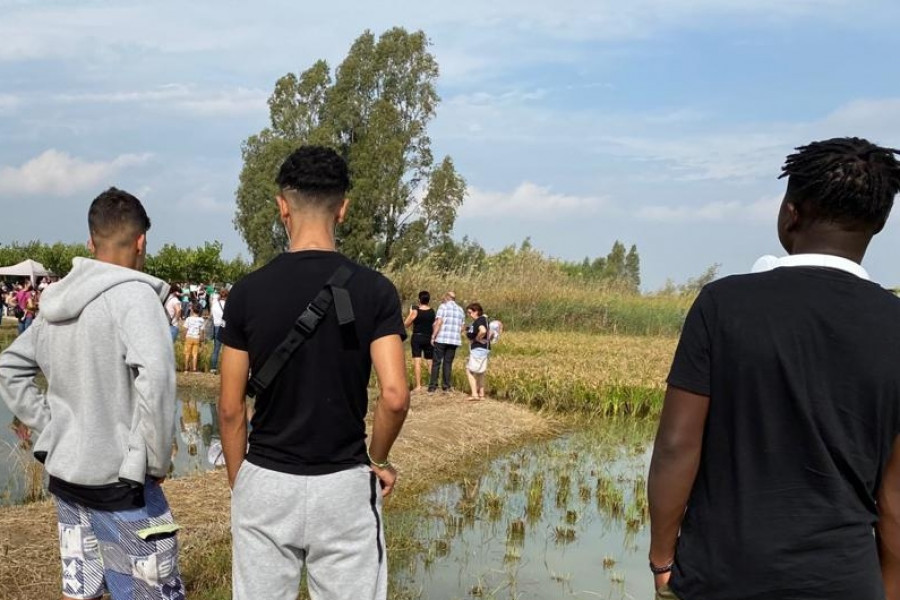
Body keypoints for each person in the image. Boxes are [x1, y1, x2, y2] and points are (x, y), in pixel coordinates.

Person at [647, 138, 900, 600]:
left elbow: (676, 445)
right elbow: (896, 495)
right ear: (880, 223)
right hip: (845, 580)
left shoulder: (723, 304)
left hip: (720, 575)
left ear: (790, 212)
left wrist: (663, 558)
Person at [218, 145, 410, 600]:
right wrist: (377, 460)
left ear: (282, 206)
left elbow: (230, 409)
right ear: (342, 208)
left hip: (266, 478)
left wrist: (241, 482)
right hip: (343, 484)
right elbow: (395, 395)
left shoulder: (246, 293)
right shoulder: (376, 291)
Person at [0, 187, 184, 600]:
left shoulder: (55, 302)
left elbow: (9, 367)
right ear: (141, 242)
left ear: (90, 242)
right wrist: (153, 458)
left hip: (68, 481)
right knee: (150, 593)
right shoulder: (135, 297)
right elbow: (155, 378)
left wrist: (51, 430)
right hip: (124, 486)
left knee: (83, 591)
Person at [428, 291, 465, 393]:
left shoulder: (443, 307)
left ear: (447, 297)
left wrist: (433, 336)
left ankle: (433, 386)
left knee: (436, 362)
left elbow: (439, 322)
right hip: (454, 340)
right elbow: (462, 327)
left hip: (442, 338)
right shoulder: (460, 309)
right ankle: (446, 386)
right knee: (448, 363)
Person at [403, 290, 435, 391]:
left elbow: (406, 324)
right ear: (428, 300)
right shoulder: (432, 311)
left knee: (417, 361)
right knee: (430, 361)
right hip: (428, 337)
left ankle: (418, 385)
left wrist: (410, 313)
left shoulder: (416, 311)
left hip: (417, 337)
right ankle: (432, 384)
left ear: (419, 300)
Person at [464, 302, 490, 401]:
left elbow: (483, 331)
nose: (469, 315)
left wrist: (477, 339)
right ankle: (482, 394)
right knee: (481, 372)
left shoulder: (479, 320)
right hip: (484, 348)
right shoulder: (484, 319)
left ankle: (475, 394)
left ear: (476, 312)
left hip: (478, 349)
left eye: (470, 312)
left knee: (469, 370)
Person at [182, 303, 205, 373]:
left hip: (189, 337)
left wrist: (183, 337)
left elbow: (185, 329)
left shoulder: (188, 319)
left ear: (192, 310)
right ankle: (194, 369)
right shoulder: (201, 320)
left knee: (187, 353)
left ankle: (186, 369)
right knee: (195, 354)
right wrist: (201, 339)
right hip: (196, 338)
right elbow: (202, 331)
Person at [209, 287, 228, 374]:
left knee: (216, 349)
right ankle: (226, 368)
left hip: (216, 326)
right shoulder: (228, 304)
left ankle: (213, 368)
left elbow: (212, 315)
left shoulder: (215, 304)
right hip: (225, 327)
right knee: (227, 349)